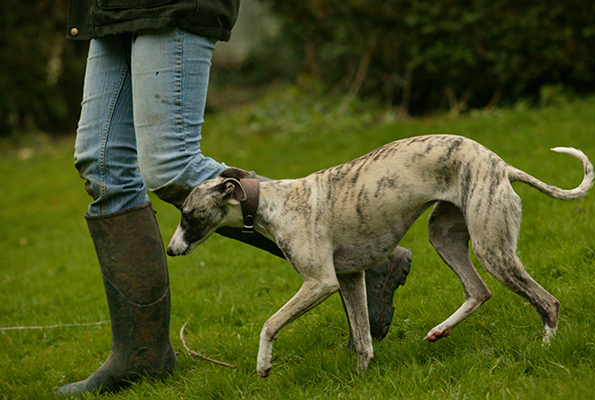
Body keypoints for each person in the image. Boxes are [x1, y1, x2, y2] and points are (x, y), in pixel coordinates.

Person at [59, 0, 412, 395]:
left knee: (171, 164)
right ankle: (140, 355)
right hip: (108, 7)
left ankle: (349, 248)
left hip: (168, 4)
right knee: (102, 165)